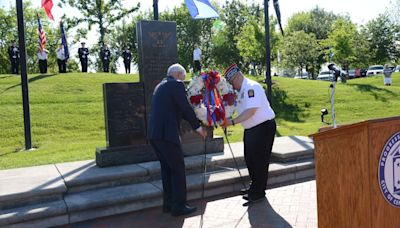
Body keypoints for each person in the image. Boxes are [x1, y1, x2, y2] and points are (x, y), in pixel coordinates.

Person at [148, 63, 207, 216]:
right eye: (183, 77)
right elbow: (185, 108)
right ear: (178, 74)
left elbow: (174, 109)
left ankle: (168, 204)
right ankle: (179, 206)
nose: (183, 80)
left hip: (155, 135)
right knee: (178, 169)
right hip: (167, 135)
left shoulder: (160, 86)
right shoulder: (176, 85)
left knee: (167, 170)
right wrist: (198, 127)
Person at [223, 63, 276, 204]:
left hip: (263, 127)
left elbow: (251, 111)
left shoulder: (251, 88)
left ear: (237, 76)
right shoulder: (240, 91)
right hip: (252, 129)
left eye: (232, 81)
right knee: (250, 159)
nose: (231, 85)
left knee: (259, 161)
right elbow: (236, 108)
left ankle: (258, 192)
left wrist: (232, 122)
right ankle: (254, 187)